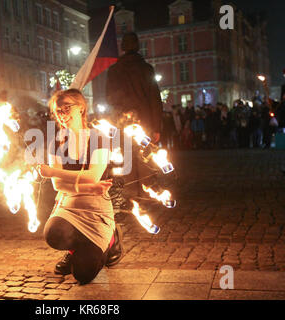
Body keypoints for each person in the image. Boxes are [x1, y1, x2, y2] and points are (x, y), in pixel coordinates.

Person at [37, 89, 123, 285]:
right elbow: (58, 186)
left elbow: (93, 175)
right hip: (70, 207)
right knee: (52, 234)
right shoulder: (56, 143)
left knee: (83, 275)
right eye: (58, 110)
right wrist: (88, 188)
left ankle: (110, 240)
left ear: (82, 108)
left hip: (96, 211)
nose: (62, 115)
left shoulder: (99, 138)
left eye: (67, 108)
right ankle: (74, 250)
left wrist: (52, 171)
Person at [106, 32, 163, 197]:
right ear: (137, 46)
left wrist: (124, 108)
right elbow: (155, 99)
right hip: (145, 122)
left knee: (128, 159)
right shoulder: (146, 69)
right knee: (145, 158)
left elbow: (110, 98)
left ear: (122, 47)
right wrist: (156, 127)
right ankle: (147, 192)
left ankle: (132, 196)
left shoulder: (115, 70)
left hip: (122, 123)